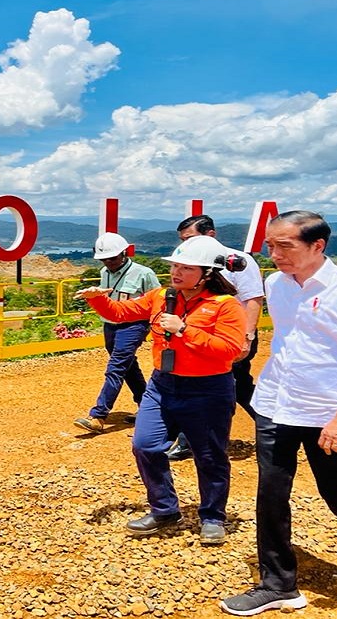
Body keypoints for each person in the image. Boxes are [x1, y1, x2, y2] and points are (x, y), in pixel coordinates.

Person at [220, 211, 337, 617]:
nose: (274, 254)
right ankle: (278, 584)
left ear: (317, 246)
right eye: (270, 245)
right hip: (275, 402)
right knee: (270, 491)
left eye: (285, 246)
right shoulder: (276, 284)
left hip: (329, 409)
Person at [77, 235, 246, 545]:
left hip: (208, 390)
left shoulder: (226, 306)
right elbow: (121, 313)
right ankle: (165, 509)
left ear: (207, 273)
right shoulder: (161, 296)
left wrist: (184, 330)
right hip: (162, 386)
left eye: (185, 268)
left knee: (209, 457)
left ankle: (212, 516)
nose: (176, 273)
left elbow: (230, 350)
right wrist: (97, 298)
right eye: (175, 266)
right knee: (145, 446)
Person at [167, 214, 265, 461]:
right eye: (182, 240)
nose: (185, 245)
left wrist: (247, 337)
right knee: (225, 387)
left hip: (228, 337)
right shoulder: (191, 262)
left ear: (210, 235)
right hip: (195, 338)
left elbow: (253, 299)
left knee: (236, 386)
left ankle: (269, 429)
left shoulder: (238, 261)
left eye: (190, 238)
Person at [73, 233, 161, 433]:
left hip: (134, 326)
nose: (108, 262)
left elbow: (158, 302)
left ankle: (98, 415)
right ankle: (149, 407)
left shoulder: (144, 273)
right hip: (110, 325)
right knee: (128, 367)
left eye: (112, 258)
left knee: (116, 367)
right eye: (104, 259)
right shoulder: (105, 272)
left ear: (124, 253)